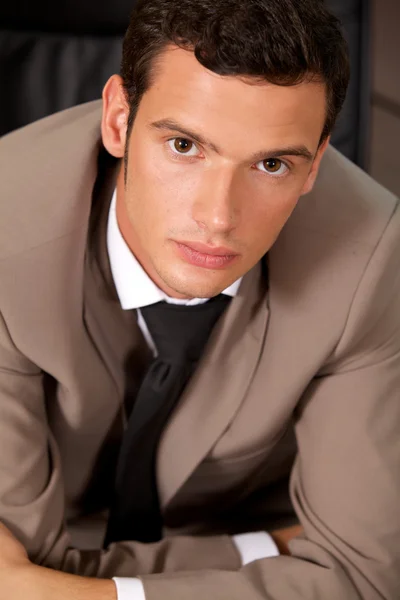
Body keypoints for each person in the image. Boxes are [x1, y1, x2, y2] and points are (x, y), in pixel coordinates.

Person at [0, 0, 399, 598]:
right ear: (118, 120)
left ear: (315, 165)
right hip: (258, 539)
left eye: (271, 164)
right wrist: (273, 552)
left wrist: (81, 589)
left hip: (228, 517)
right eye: (184, 146)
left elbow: (363, 577)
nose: (218, 217)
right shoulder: (6, 232)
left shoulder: (372, 258)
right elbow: (25, 557)